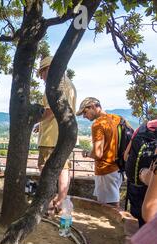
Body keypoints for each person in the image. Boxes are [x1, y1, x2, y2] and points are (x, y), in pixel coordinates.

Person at [35, 56, 77, 212]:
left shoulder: (55, 86)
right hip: (63, 134)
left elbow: (50, 110)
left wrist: (33, 121)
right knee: (63, 169)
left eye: (42, 73)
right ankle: (61, 201)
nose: (42, 78)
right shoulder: (69, 85)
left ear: (49, 69)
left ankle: (50, 201)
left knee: (45, 167)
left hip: (51, 137)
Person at [77, 97, 123, 207]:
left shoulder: (98, 124)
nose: (84, 116)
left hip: (105, 169)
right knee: (113, 202)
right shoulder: (117, 119)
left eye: (85, 112)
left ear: (93, 106)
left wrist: (87, 154)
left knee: (109, 207)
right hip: (119, 168)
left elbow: (98, 153)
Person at [123, 119, 157, 227]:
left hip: (136, 183)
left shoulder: (142, 127)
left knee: (136, 221)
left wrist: (142, 172)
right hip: (150, 187)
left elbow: (125, 156)